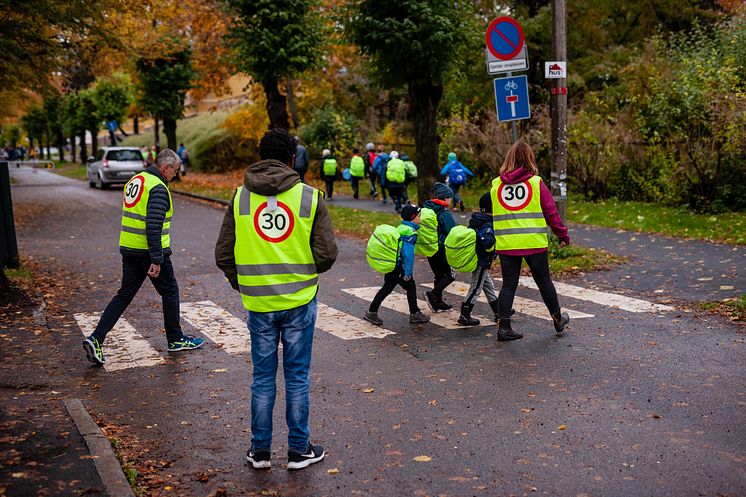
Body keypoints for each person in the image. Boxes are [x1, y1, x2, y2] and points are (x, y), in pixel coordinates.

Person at [215, 128, 338, 471]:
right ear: (291, 159)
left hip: (259, 306)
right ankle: (299, 451)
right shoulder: (310, 198)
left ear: (260, 156)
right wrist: (305, 274)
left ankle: (260, 452)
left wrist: (243, 284)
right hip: (299, 300)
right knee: (297, 376)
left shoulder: (239, 198)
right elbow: (327, 253)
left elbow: (223, 254)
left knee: (263, 377)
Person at [82, 149, 205, 366]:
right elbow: (153, 225)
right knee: (170, 291)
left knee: (124, 295)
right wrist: (156, 259)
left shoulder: (136, 180)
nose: (175, 176)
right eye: (174, 171)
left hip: (130, 248)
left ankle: (96, 338)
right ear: (165, 167)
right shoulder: (157, 187)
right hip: (150, 251)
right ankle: (175, 339)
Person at [492, 140, 571, 340]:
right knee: (544, 281)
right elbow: (551, 212)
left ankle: (504, 327)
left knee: (509, 285)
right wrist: (562, 234)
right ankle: (557, 319)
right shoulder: (536, 184)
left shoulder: (496, 185)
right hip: (534, 243)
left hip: (508, 244)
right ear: (529, 159)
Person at [364, 205, 430, 326]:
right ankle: (414, 313)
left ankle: (371, 311)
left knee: (388, 287)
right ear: (413, 218)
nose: (420, 219)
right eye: (419, 216)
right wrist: (407, 273)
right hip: (400, 266)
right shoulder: (410, 233)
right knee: (410, 286)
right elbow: (408, 255)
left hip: (392, 263)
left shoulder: (400, 227)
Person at [456, 193, 512, 334]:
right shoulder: (487, 223)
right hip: (481, 260)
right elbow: (487, 241)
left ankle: (498, 311)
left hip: (478, 258)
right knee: (476, 288)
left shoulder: (477, 220)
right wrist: (492, 250)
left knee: (488, 285)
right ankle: (465, 314)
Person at [422, 182, 457, 312]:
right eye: (450, 197)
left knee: (439, 275)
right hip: (441, 248)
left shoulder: (427, 209)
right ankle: (432, 294)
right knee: (450, 274)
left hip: (429, 247)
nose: (451, 200)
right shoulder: (443, 212)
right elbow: (451, 230)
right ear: (445, 198)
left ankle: (438, 302)